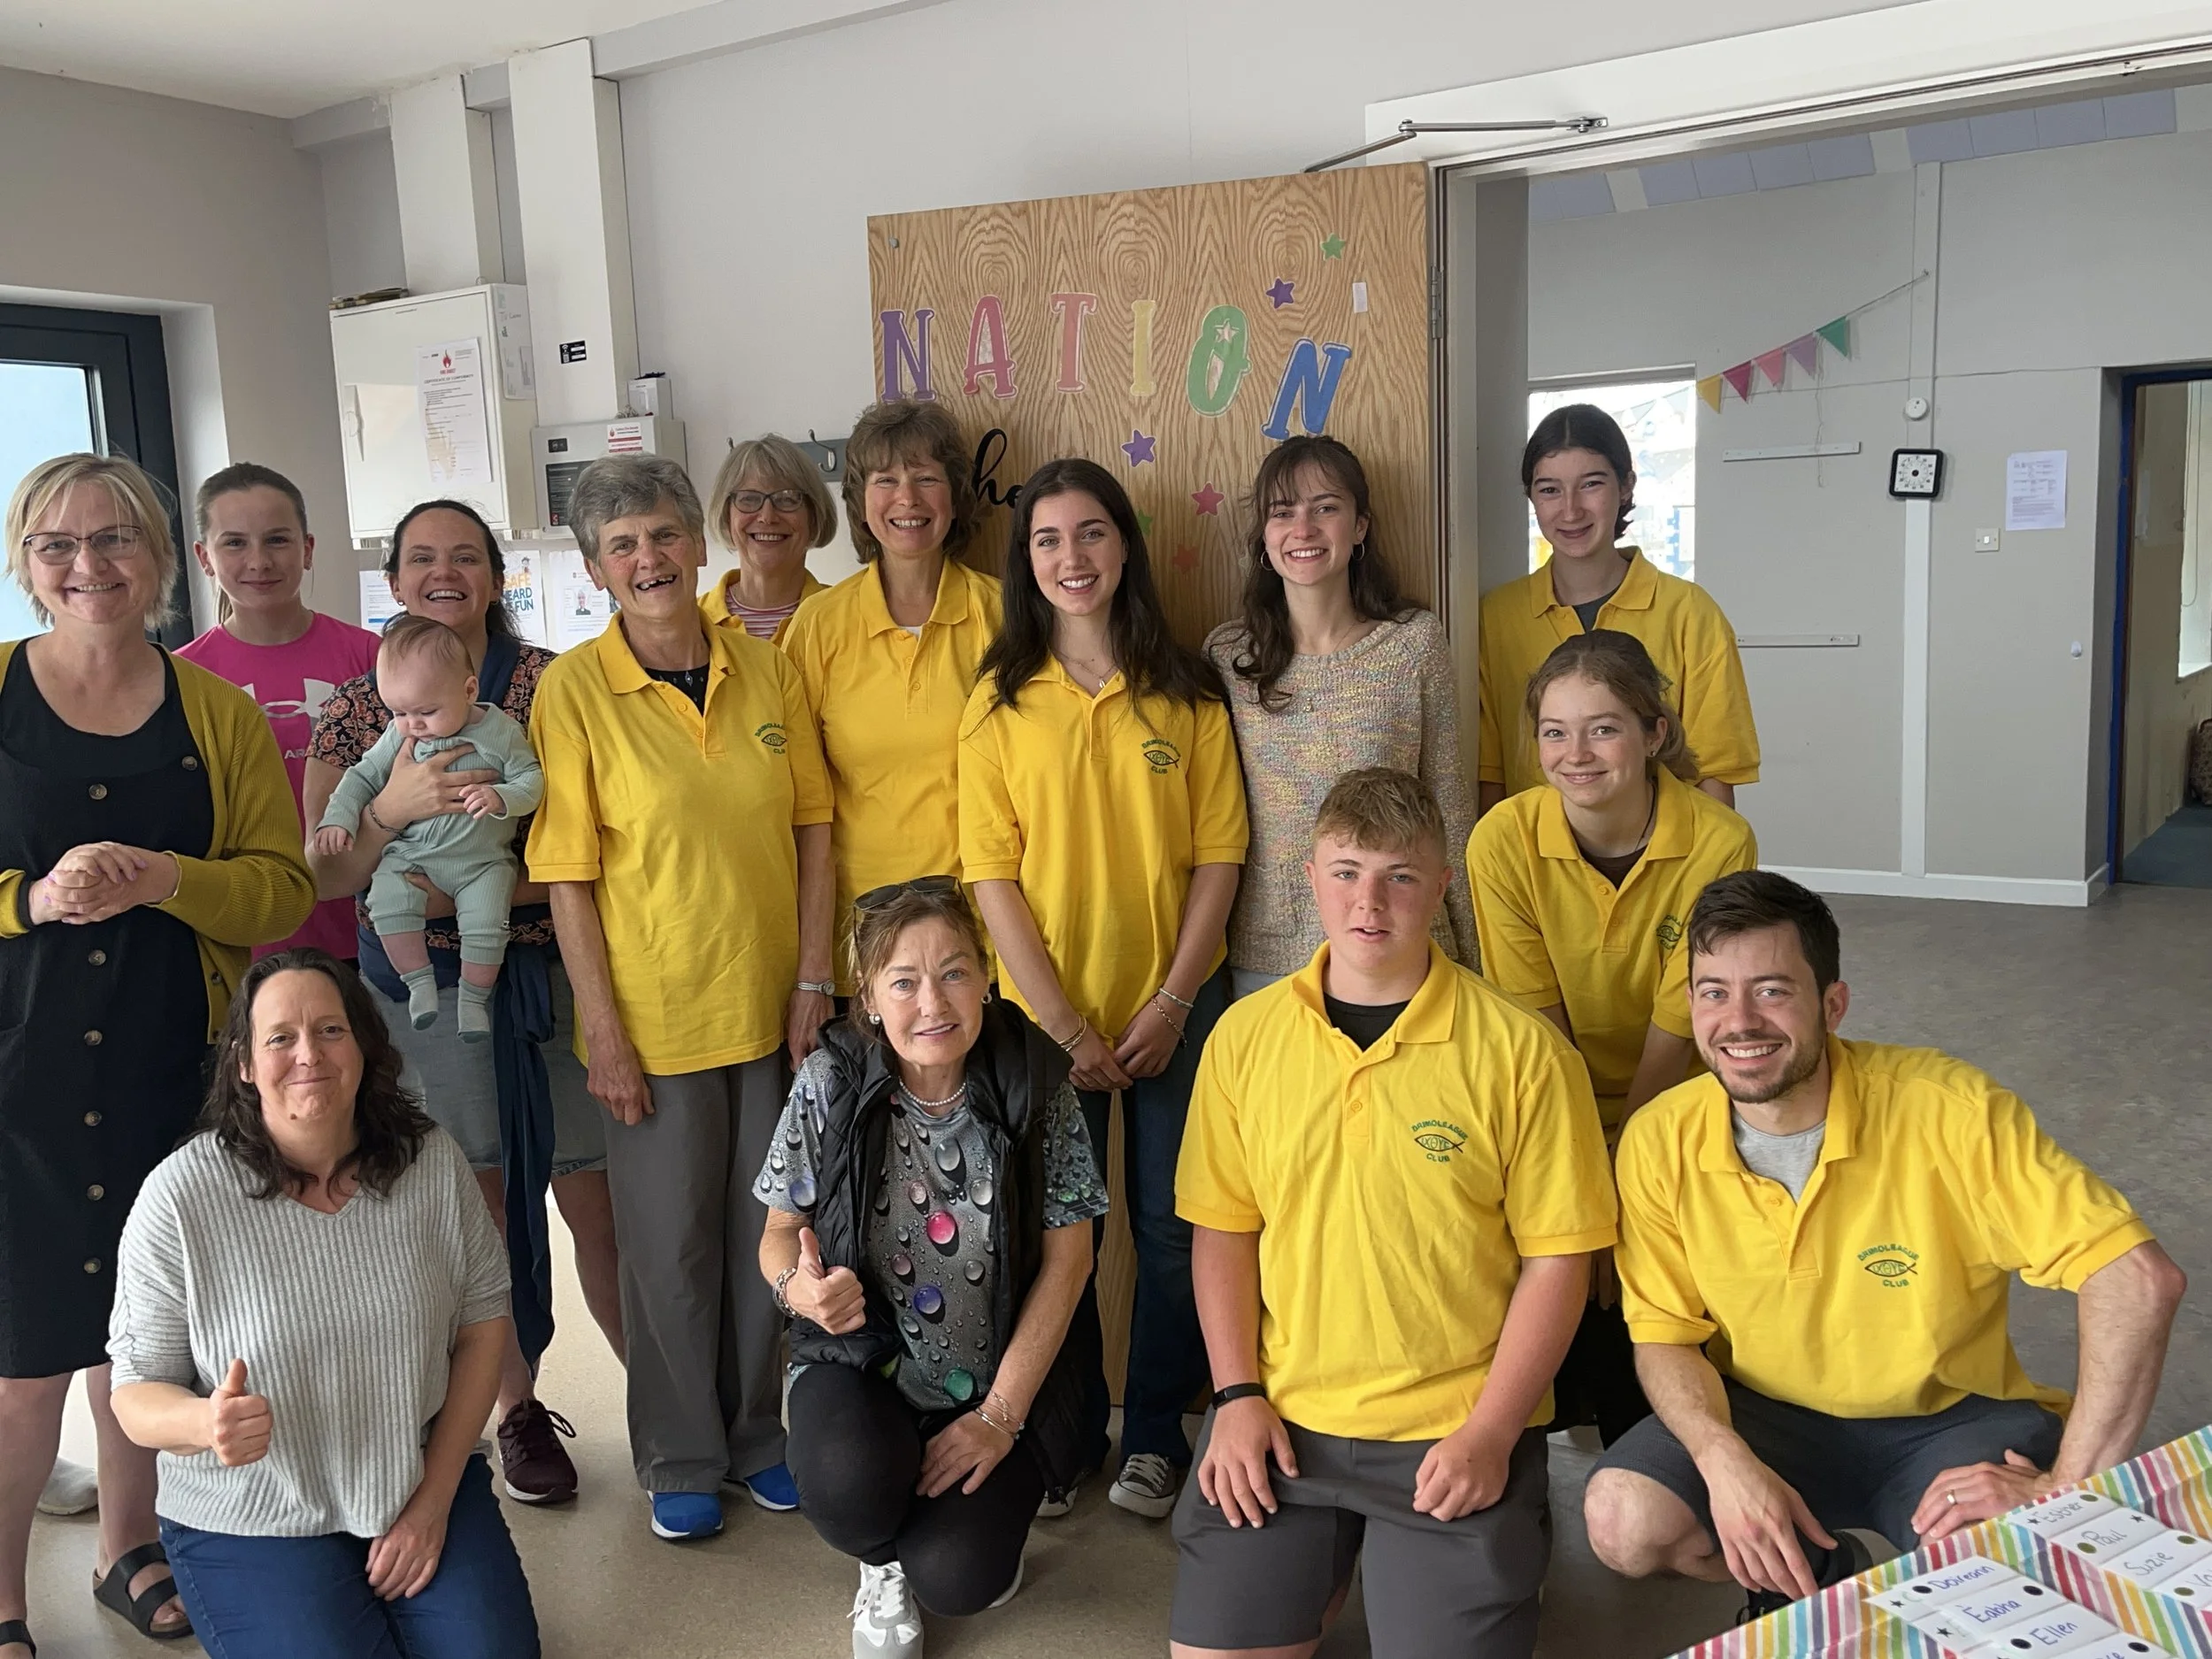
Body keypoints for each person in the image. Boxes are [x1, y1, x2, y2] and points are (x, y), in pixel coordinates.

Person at [1583, 872, 2188, 1624]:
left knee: (2005, 1573)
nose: (1738, 1021)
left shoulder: (1950, 1112)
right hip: (1764, 1412)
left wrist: (2065, 1486)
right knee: (1624, 1519)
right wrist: (1721, 1458)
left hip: (1950, 1417)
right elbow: (1666, 1336)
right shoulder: (1657, 1138)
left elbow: (2137, 1278)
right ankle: (1824, 1569)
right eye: (1713, 992)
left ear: (1832, 1004)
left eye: (1772, 990)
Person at [1170, 769, 1616, 1659]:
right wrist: (1236, 1397)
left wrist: (1492, 1433)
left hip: (1451, 1433)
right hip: (1284, 1423)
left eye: (1398, 876)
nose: (1368, 901)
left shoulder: (1524, 1053)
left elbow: (1559, 1262)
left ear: (1440, 884)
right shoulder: (1243, 1039)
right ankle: (1325, 1570)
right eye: (1345, 871)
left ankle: (1448, 1551)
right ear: (1308, 875)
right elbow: (1225, 1230)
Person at [0, 453, 313, 1659]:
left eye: (115, 540)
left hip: (166, 1062)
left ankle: (129, 1544)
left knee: (145, 1334)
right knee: (26, 1353)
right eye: (59, 545)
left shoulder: (213, 713)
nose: (90, 566)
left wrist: (166, 876)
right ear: (28, 562)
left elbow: (279, 885)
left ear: (157, 555)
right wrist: (31, 898)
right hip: (18, 1073)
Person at [527, 454, 835, 1541]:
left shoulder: (769, 673)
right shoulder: (574, 692)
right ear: (594, 570)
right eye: (622, 546)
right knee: (668, 1251)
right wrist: (600, 1031)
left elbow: (812, 829)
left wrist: (813, 977)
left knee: (771, 1236)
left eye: (661, 535)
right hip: (652, 1024)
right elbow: (565, 875)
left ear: (697, 542)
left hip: (770, 1009)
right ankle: (679, 1454)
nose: (647, 559)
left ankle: (760, 1437)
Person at [306, 498, 621, 1508]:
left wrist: (492, 888)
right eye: (421, 560)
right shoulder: (360, 710)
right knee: (476, 1202)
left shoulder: (551, 687)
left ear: (495, 574)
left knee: (597, 1195)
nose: (444, 573)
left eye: (466, 557)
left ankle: (666, 1407)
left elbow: (596, 836)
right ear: (394, 583)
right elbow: (327, 869)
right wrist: (391, 813)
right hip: (423, 991)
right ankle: (516, 1411)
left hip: (557, 970)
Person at [961, 457, 1248, 1521]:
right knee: (1062, 1240)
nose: (1070, 558)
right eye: (1046, 540)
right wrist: (1065, 1024)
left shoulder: (1187, 692)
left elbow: (1221, 858)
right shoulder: (997, 705)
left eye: (1089, 534)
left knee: (1174, 1226)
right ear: (1025, 563)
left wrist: (1172, 1003)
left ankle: (1158, 1431)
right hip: (1047, 1027)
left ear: (1124, 546)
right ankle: (1067, 1439)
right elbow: (990, 877)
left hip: (1182, 1008)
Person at [109, 949, 538, 1658]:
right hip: (250, 1513)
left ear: (366, 1046)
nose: (308, 1053)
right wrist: (204, 1421)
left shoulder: (430, 1160)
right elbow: (133, 1393)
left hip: (411, 1476)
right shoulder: (179, 1196)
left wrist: (432, 1505)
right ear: (245, 1062)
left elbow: (483, 1325)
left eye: (331, 1030)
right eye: (281, 1036)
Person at [756, 879, 1102, 1659]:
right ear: (871, 999)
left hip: (991, 1381)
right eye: (903, 981)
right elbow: (778, 1232)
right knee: (847, 1488)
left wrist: (999, 1417)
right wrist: (800, 1290)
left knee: (958, 1576)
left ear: (985, 977)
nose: (932, 1003)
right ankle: (879, 1564)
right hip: (864, 1364)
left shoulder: (1037, 1081)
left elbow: (1070, 1262)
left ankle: (935, 1542)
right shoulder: (832, 1079)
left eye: (953, 972)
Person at [1470, 631, 1758, 1448]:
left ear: (1654, 732)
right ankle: (1558, 1410)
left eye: (1603, 728)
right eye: (1555, 732)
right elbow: (1537, 1025)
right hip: (1548, 1088)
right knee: (1545, 1231)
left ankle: (1662, 1429)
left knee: (1653, 1238)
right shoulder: (1502, 838)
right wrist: (1583, 1165)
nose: (1575, 753)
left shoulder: (1719, 841)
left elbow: (1684, 1021)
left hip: (1671, 1088)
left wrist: (1620, 1160)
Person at [1204, 436, 1475, 997]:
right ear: (1265, 536)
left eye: (1325, 507)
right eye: (1283, 512)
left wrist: (1475, 963)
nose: (1303, 529)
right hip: (1268, 953)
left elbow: (1449, 807)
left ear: (1359, 527)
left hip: (1398, 948)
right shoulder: (1229, 659)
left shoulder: (1412, 645)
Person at [782, 401, 1000, 993]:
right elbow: (805, 806)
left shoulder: (1003, 616)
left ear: (955, 496)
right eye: (886, 480)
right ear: (860, 501)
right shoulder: (817, 626)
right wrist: (811, 972)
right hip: (862, 938)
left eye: (927, 477)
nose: (908, 498)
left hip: (985, 931)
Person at [1477, 404, 1758, 814]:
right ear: (1531, 497)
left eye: (1591, 484)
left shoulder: (1690, 613)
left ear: (1626, 486)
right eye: (1549, 489)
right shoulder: (1497, 617)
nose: (1571, 510)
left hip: (1663, 860)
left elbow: (1715, 772)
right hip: (1535, 864)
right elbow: (1491, 773)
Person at [177, 461, 380, 960]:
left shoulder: (372, 659)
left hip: (373, 932)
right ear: (204, 557)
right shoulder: (182, 677)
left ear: (307, 549)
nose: (258, 561)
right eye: (234, 543)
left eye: (277, 540)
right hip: (242, 943)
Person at [315, 616, 544, 1041]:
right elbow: (361, 777)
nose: (412, 725)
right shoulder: (397, 735)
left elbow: (532, 780)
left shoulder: (500, 731)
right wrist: (338, 818)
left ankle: (474, 1001)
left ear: (469, 690)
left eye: (426, 711)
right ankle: (417, 983)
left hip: (483, 863)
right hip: (412, 856)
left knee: (487, 923)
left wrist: (503, 798)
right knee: (387, 901)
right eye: (398, 711)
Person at [700, 434, 835, 643]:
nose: (767, 517)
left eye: (787, 499)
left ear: (814, 515)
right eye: (749, 499)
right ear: (726, 515)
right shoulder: (692, 623)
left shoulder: (847, 615)